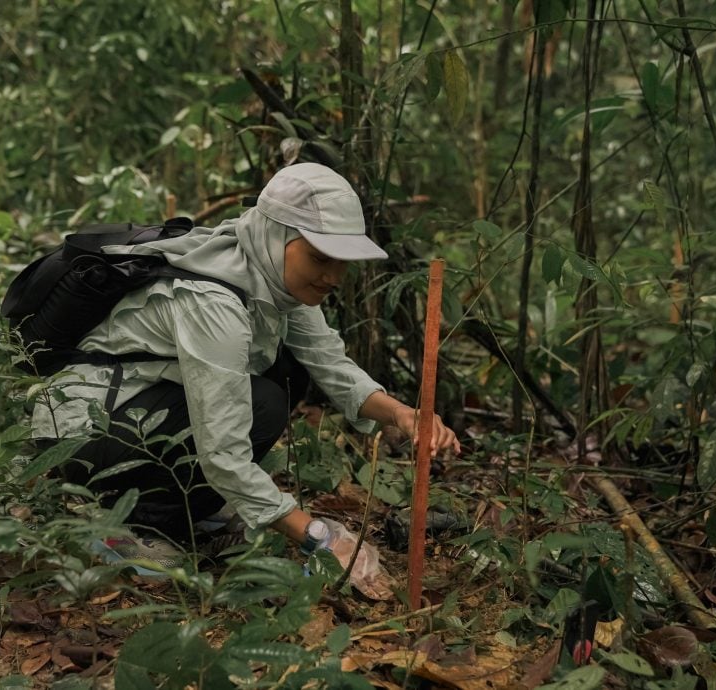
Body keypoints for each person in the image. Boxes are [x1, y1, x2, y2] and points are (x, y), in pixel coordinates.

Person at [31, 163, 460, 598]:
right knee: (261, 401)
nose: (333, 277)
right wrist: (318, 537)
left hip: (138, 410)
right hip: (82, 434)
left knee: (280, 381)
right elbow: (222, 452)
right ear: (277, 236)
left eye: (343, 263)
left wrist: (406, 416)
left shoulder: (273, 280)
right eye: (319, 257)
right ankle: (121, 522)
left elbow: (332, 365)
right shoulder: (214, 302)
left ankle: (186, 513)